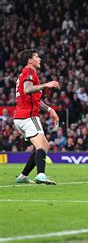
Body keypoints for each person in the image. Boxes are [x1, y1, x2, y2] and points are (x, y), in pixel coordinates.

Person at [13, 49, 60, 185]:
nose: (39, 59)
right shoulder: (30, 72)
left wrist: (49, 109)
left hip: (21, 117)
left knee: (44, 146)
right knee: (42, 146)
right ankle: (41, 174)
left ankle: (23, 176)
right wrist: (47, 85)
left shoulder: (24, 74)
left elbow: (34, 98)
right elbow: (28, 89)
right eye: (36, 56)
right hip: (28, 116)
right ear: (30, 60)